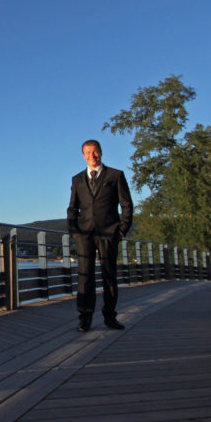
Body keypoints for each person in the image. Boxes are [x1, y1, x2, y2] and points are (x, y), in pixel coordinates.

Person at [66, 139, 133, 332]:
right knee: (85, 277)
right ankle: (85, 319)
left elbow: (126, 205)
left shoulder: (115, 175)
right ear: (83, 155)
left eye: (94, 152)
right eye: (87, 153)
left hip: (109, 233)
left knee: (109, 277)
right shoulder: (77, 180)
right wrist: (74, 230)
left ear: (101, 152)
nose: (91, 156)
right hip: (84, 235)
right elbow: (73, 208)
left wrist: (122, 229)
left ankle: (110, 317)